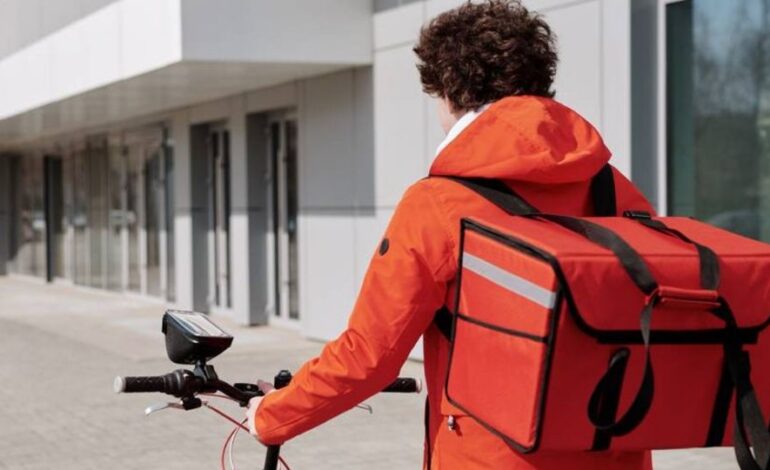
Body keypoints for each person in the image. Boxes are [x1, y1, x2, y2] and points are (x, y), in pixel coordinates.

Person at [247, 1, 654, 468]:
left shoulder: (438, 204)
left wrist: (272, 415)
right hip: (614, 450)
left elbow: (369, 356)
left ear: (449, 91)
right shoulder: (616, 189)